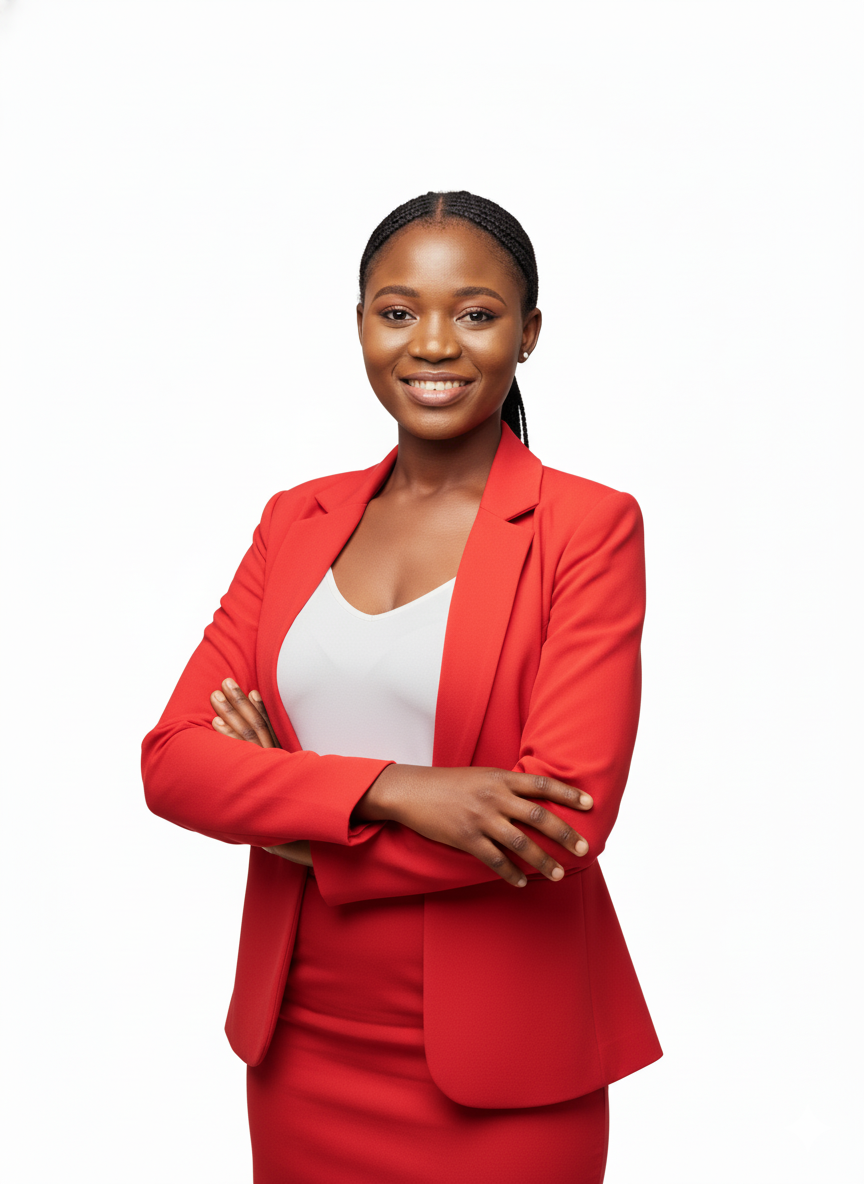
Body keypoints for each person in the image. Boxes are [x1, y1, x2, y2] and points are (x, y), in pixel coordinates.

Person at [141, 190, 662, 1183]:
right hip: (301, 1040)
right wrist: (401, 786)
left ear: (529, 332)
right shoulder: (297, 518)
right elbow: (172, 762)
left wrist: (289, 813)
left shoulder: (587, 527)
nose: (434, 342)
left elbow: (556, 821)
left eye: (475, 312)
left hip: (508, 1060)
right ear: (361, 327)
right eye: (397, 311)